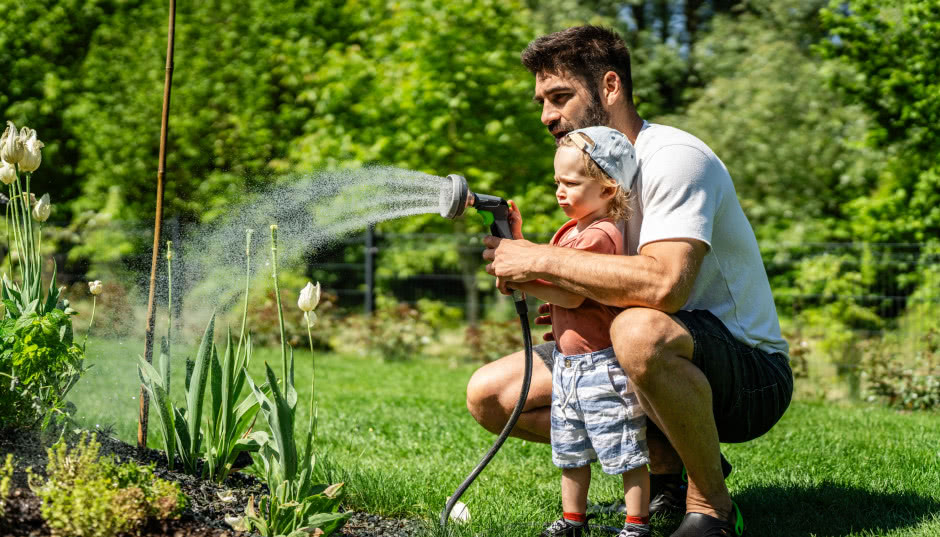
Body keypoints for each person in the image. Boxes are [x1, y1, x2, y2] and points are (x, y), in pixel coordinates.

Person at [466, 25, 793, 537]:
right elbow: (587, 280)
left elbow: (665, 287)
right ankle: (668, 470)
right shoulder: (592, 171)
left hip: (749, 371)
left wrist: (542, 261)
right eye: (542, 102)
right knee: (492, 394)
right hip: (639, 356)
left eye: (560, 97)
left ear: (610, 87)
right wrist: (544, 278)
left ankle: (713, 508)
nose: (548, 115)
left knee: (638, 330)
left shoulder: (675, 159)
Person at [507, 126, 649, 537]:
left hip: (601, 366)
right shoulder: (571, 231)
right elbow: (548, 270)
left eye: (571, 183)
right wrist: (518, 242)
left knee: (624, 448)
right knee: (569, 449)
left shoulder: (602, 234)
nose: (559, 191)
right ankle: (573, 521)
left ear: (607, 189)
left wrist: (521, 279)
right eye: (557, 182)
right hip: (568, 365)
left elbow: (568, 296)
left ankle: (636, 525)